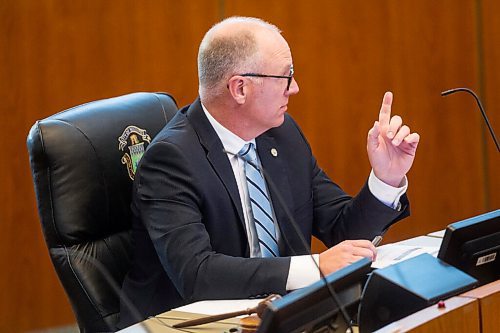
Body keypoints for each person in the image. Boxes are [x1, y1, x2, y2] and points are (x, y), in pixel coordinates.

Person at [118, 16, 420, 328]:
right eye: (286, 77)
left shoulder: (281, 134)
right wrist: (316, 267)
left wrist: (386, 178)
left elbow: (343, 234)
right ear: (240, 88)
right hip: (185, 323)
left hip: (279, 318)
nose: (296, 88)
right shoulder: (171, 160)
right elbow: (198, 275)